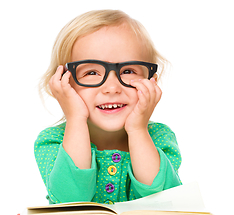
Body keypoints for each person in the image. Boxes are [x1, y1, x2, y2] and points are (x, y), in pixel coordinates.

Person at [35, 9, 182, 204]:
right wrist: (75, 119)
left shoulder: (160, 137)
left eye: (128, 70)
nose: (112, 88)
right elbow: (70, 200)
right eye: (91, 73)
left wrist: (138, 130)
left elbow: (165, 201)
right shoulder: (52, 141)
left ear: (151, 83)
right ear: (64, 83)